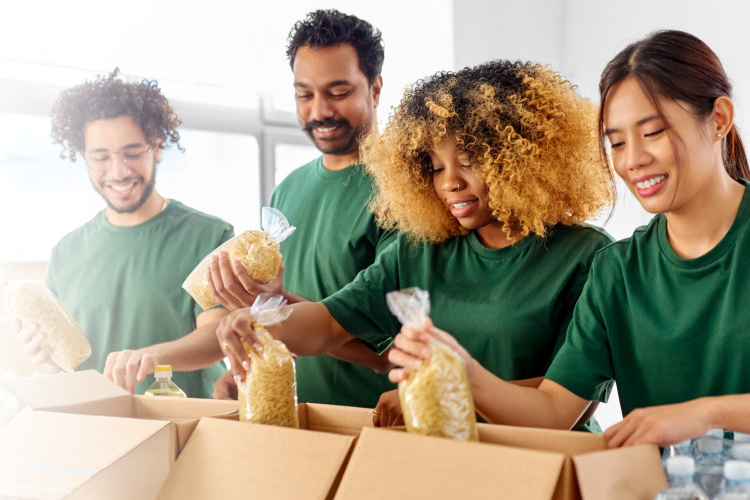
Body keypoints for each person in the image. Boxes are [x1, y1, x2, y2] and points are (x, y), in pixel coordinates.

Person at [384, 30, 750, 446]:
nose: (632, 160)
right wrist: (464, 372)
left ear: (719, 118)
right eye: (615, 141)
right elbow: (552, 414)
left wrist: (706, 414)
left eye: (652, 132)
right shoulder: (618, 271)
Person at [218, 60, 613, 428]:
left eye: (470, 162)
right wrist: (261, 322)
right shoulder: (420, 249)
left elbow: (564, 404)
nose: (449, 183)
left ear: (520, 159)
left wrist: (446, 389)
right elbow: (327, 323)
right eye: (436, 167)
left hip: (547, 467)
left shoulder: (586, 257)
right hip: (445, 456)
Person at [96, 10, 397, 406]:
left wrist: (282, 308)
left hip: (371, 424)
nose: (319, 111)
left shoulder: (403, 191)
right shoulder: (288, 190)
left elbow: (388, 350)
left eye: (338, 93)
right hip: (288, 417)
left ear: (374, 89)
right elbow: (278, 318)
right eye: (304, 94)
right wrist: (247, 373)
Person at [12, 70, 235, 397]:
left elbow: (218, 335)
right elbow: (69, 364)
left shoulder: (209, 236)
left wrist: (151, 357)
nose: (119, 171)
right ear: (84, 157)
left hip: (186, 433)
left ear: (157, 147)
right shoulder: (66, 253)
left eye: (132, 153)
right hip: (98, 434)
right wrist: (48, 365)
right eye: (101, 157)